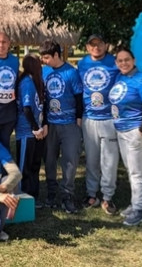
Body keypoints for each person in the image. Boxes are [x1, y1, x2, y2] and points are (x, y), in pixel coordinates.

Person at [108, 47, 142, 226]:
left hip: (136, 131)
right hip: (122, 131)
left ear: (134, 60)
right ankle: (138, 203)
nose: (123, 63)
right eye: (119, 61)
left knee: (136, 172)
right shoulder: (120, 77)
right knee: (134, 170)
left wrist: (141, 131)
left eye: (126, 59)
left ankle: (138, 210)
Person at [77, 34, 121, 213]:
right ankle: (91, 194)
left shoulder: (115, 63)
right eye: (92, 45)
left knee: (109, 161)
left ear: (106, 45)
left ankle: (108, 197)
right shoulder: (82, 64)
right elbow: (78, 91)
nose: (96, 47)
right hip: (89, 119)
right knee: (92, 160)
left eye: (100, 44)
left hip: (109, 119)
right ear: (87, 47)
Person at [39, 39, 83, 214]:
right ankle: (51, 192)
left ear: (56, 55)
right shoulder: (44, 72)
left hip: (69, 124)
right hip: (50, 124)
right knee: (49, 160)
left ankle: (67, 195)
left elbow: (79, 97)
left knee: (70, 161)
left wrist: (78, 120)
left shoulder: (71, 73)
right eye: (42, 57)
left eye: (47, 57)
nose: (44, 60)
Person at [15, 54, 47, 206]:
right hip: (26, 132)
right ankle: (22, 199)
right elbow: (26, 108)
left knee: (35, 166)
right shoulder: (27, 82)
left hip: (37, 132)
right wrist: (35, 128)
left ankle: (34, 197)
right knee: (24, 168)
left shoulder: (36, 81)